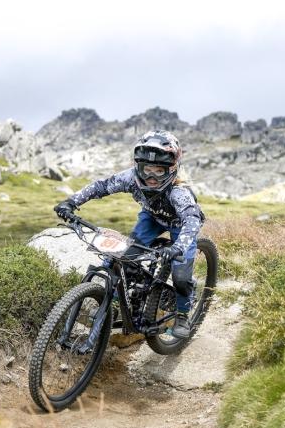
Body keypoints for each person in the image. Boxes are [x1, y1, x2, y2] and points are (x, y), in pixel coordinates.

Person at [53, 130, 204, 339]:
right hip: (150, 219)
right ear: (137, 166)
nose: (151, 177)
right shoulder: (130, 178)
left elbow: (192, 220)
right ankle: (115, 301)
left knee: (180, 275)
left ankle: (182, 315)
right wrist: (72, 201)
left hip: (180, 226)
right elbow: (101, 186)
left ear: (172, 169)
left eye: (158, 171)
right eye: (146, 170)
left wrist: (178, 247)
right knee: (126, 257)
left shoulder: (179, 192)